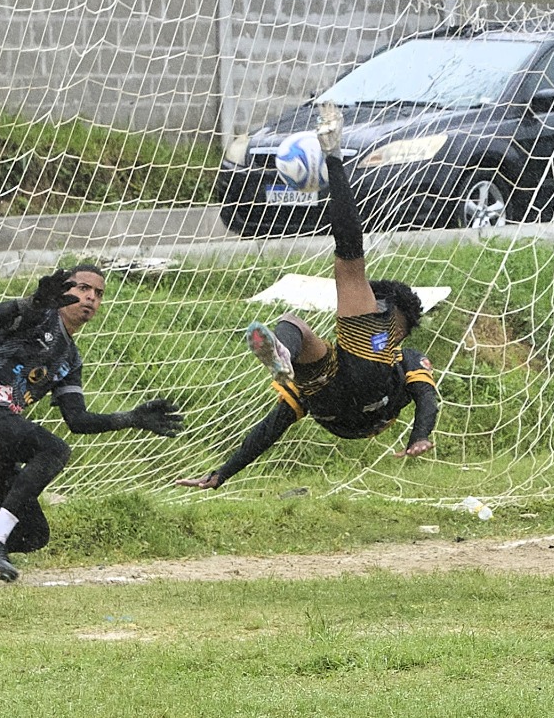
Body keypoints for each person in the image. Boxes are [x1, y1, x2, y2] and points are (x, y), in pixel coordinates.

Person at [177, 103, 440, 491]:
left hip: (337, 407)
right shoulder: (400, 354)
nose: (370, 303)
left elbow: (272, 426)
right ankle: (282, 353)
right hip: (354, 404)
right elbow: (427, 399)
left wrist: (223, 472)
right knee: (304, 319)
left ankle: (285, 350)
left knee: (332, 283)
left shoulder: (397, 345)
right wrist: (419, 436)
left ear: (395, 317)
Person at [0, 265, 184, 581]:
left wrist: (132, 418)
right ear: (63, 290)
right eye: (84, 288)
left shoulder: (70, 359)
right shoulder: (39, 316)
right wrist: (33, 302)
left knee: (32, 532)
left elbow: (78, 420)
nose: (91, 297)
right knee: (53, 449)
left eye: (98, 293)